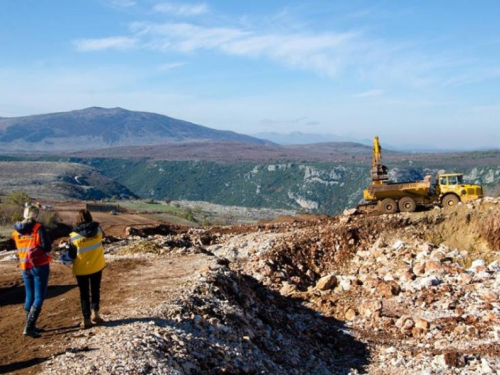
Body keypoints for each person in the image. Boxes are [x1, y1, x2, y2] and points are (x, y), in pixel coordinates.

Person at [12, 203, 52, 338]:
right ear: (35, 215)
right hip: (39, 266)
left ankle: (30, 324)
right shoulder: (38, 228)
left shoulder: (16, 231)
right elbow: (47, 247)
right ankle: (29, 327)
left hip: (24, 266)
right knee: (39, 296)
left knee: (29, 295)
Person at [68, 209, 106, 329]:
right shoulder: (99, 230)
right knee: (95, 290)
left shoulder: (73, 236)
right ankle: (96, 313)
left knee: (84, 294)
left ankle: (86, 319)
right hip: (97, 265)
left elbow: (72, 255)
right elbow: (103, 238)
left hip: (81, 269)